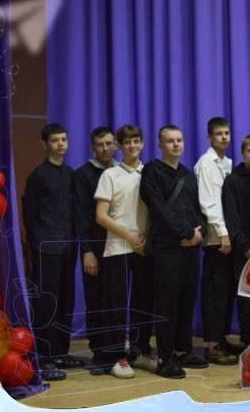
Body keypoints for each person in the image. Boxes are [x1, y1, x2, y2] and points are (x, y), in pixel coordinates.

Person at [140, 125, 208, 378]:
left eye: (179, 140)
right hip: (166, 248)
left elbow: (196, 209)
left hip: (190, 248)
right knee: (167, 305)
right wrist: (186, 233)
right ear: (160, 144)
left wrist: (199, 233)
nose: (176, 144)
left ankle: (183, 350)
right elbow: (159, 209)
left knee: (186, 301)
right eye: (170, 141)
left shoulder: (188, 175)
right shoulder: (152, 171)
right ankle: (165, 358)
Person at [94, 124, 155, 378]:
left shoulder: (149, 173)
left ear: (142, 143)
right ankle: (116, 357)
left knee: (143, 303)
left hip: (143, 249)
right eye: (127, 142)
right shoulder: (110, 175)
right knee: (117, 306)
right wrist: (129, 236)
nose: (132, 146)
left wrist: (145, 239)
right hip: (118, 248)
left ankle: (140, 352)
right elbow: (100, 216)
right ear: (120, 146)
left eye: (136, 141)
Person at [22, 123, 77, 381]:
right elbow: (30, 214)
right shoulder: (38, 175)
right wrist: (37, 244)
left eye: (63, 139)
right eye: (55, 140)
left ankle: (61, 352)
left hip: (67, 247)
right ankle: (43, 358)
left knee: (65, 300)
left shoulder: (70, 173)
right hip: (46, 248)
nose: (60, 144)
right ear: (45, 144)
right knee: (47, 303)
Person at [73, 126, 117, 375]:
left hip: (118, 245)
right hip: (95, 246)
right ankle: (100, 353)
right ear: (93, 147)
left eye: (109, 143)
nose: (105, 148)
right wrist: (87, 250)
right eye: (100, 144)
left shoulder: (121, 171)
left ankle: (116, 350)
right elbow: (81, 215)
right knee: (96, 300)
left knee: (114, 300)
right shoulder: (83, 174)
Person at [194, 117, 236, 365]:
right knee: (214, 291)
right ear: (209, 137)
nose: (224, 137)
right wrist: (222, 232)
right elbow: (208, 202)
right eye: (219, 133)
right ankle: (211, 344)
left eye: (226, 133)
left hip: (227, 234)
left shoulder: (227, 163)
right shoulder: (206, 163)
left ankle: (221, 338)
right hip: (215, 237)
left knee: (226, 291)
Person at [222, 134, 250, 350]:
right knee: (246, 295)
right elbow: (231, 216)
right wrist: (245, 245)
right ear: (242, 153)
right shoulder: (233, 180)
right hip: (244, 248)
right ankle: (248, 340)